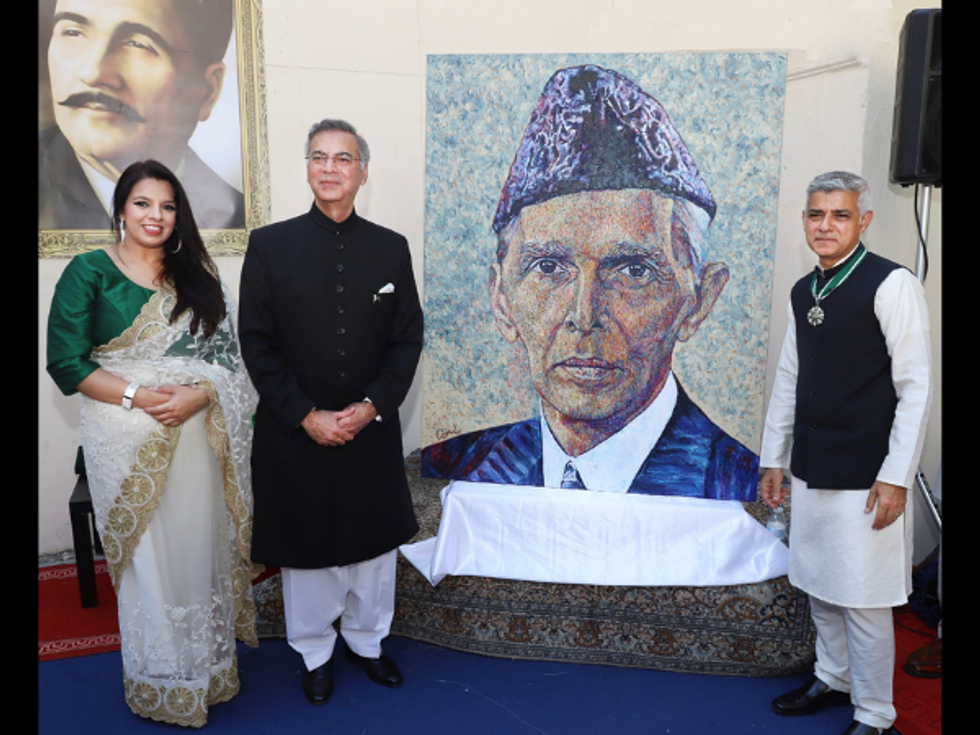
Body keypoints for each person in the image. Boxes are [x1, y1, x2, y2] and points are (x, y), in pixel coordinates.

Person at [422, 64, 758, 500]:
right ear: (501, 298)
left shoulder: (741, 486)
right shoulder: (452, 469)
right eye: (547, 268)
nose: (584, 317)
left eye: (634, 271)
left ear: (698, 301)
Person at [46, 159, 260, 727]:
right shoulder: (89, 271)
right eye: (143, 203)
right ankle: (162, 679)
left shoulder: (198, 277)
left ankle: (209, 672)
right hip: (127, 434)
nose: (155, 216)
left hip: (198, 440)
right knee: (152, 560)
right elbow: (65, 364)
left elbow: (230, 366)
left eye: (167, 206)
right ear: (120, 209)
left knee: (196, 550)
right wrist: (141, 396)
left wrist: (201, 396)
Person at [238, 119, 424, 706]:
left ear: (362, 172)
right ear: (308, 167)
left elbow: (407, 340)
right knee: (308, 550)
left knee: (373, 548)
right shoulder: (270, 246)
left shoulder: (391, 248)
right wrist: (305, 414)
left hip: (368, 428)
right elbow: (256, 343)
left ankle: (368, 643)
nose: (329, 168)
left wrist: (371, 406)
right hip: (297, 430)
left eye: (343, 158)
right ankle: (315, 652)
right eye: (319, 156)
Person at [759, 171, 932, 735]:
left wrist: (897, 477)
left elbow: (916, 386)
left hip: (867, 473)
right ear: (805, 220)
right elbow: (790, 376)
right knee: (818, 584)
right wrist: (773, 456)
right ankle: (832, 676)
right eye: (816, 214)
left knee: (862, 598)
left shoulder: (892, 283)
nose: (825, 225)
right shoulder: (803, 288)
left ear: (864, 220)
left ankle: (876, 713)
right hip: (812, 464)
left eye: (839, 214)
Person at [39, 0, 245, 231]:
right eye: (73, 32)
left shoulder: (237, 217)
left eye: (138, 44)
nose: (93, 72)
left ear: (207, 91)